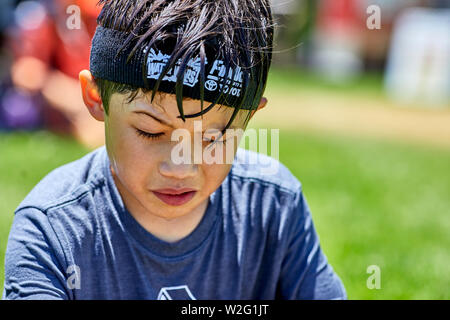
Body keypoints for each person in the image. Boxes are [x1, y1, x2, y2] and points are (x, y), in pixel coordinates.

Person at [3, 0, 347, 300]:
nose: (181, 167)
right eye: (151, 132)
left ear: (250, 116)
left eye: (214, 138)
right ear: (96, 98)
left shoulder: (274, 206)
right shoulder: (53, 230)